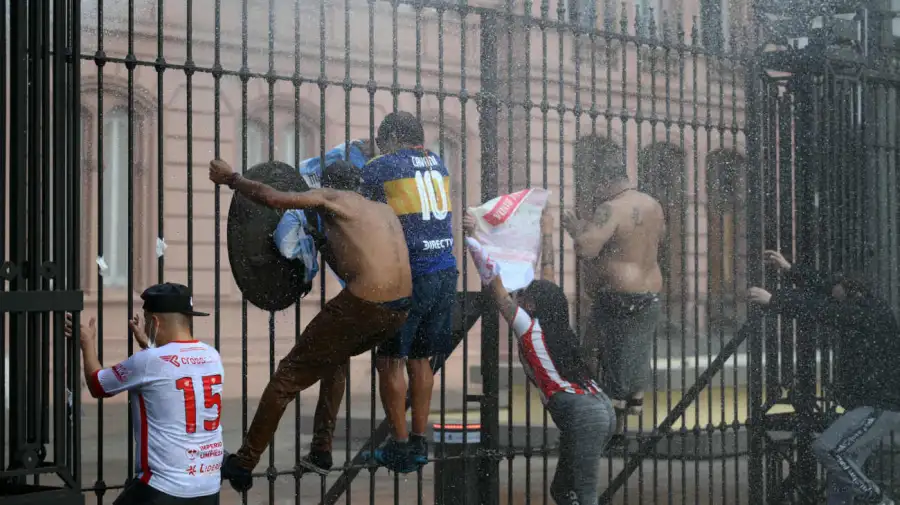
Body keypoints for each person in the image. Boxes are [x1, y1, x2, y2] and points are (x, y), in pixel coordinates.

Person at [209, 158, 413, 491]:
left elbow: (271, 197)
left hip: (364, 305)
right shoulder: (381, 209)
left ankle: (243, 463)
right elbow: (352, 252)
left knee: (286, 379)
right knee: (334, 358)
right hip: (399, 309)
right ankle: (321, 449)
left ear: (329, 185)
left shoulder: (332, 199)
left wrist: (232, 179)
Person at [462, 209, 615, 505]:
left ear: (531, 303)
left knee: (585, 496)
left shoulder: (528, 327)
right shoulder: (556, 322)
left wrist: (473, 236)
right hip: (601, 409)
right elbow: (548, 277)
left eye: (523, 296)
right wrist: (546, 231)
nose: (518, 297)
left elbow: (495, 286)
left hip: (584, 415)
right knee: (562, 492)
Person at [345, 111, 458, 473]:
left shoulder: (381, 166)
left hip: (409, 277)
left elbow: (358, 207)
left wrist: (366, 161)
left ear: (392, 138)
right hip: (445, 271)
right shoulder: (438, 163)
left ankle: (399, 444)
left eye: (383, 142)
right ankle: (421, 442)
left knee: (389, 359)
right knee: (422, 359)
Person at [749, 250, 900, 505]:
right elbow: (824, 285)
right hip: (869, 404)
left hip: (879, 406)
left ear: (850, 292)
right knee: (843, 468)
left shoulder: (864, 315)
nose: (831, 291)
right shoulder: (862, 304)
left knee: (828, 449)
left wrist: (774, 300)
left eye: (836, 288)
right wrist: (789, 268)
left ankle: (879, 500)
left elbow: (818, 309)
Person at [66, 283, 223, 505]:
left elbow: (97, 385)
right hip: (208, 487)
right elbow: (172, 371)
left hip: (162, 488)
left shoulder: (149, 361)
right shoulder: (212, 356)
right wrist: (148, 344)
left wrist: (87, 343)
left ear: (155, 322)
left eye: (148, 321)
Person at [561, 148, 666, 436]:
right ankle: (630, 405)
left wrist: (576, 230)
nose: (596, 191)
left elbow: (588, 247)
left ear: (604, 182)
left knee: (602, 356)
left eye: (596, 185)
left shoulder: (611, 207)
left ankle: (612, 429)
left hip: (620, 295)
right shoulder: (652, 204)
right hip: (650, 291)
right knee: (633, 354)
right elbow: (636, 240)